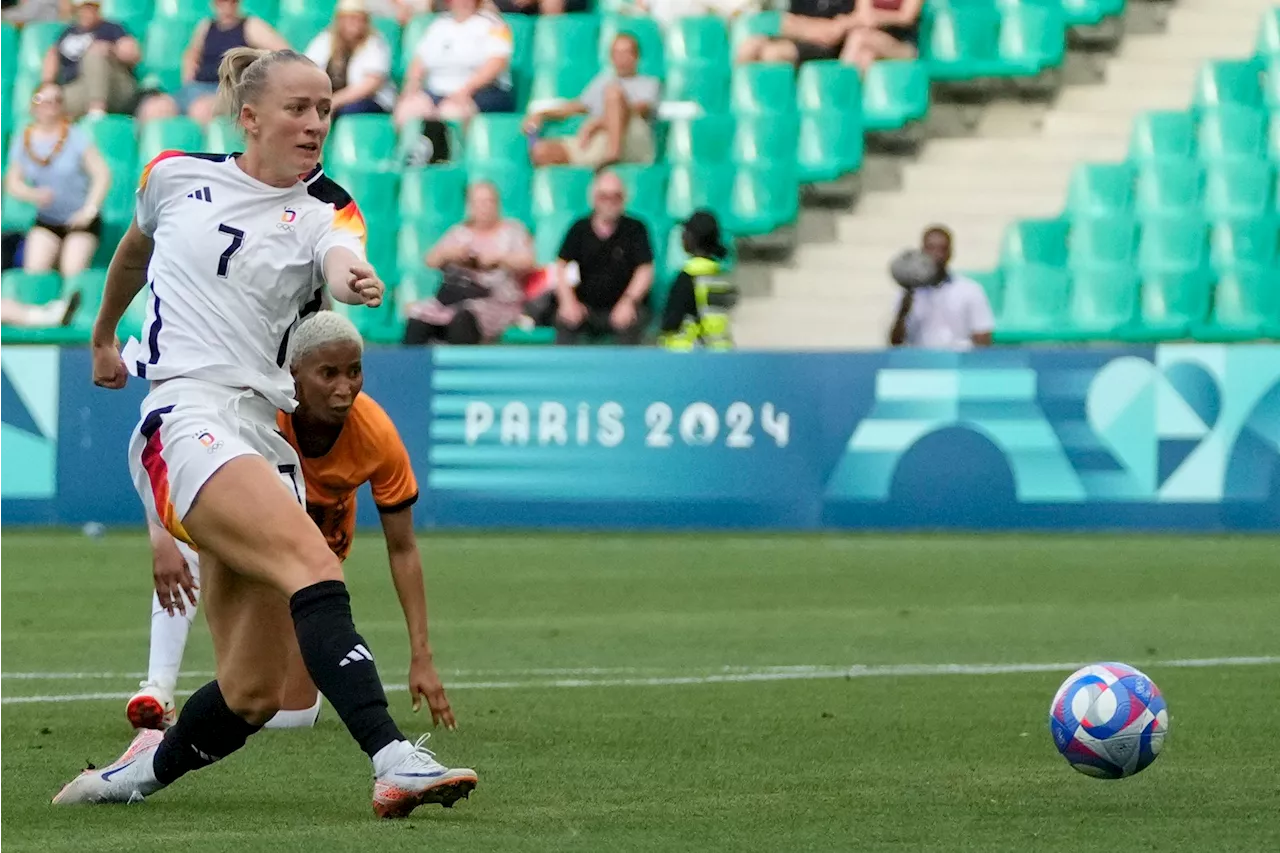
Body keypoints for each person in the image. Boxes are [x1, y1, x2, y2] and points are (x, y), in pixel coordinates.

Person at [52, 46, 476, 818]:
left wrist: (352, 278)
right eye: (299, 108)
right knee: (315, 563)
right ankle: (393, 758)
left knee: (252, 691)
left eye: (325, 108)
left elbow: (342, 253)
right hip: (185, 415)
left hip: (259, 431)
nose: (316, 122)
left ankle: (128, 780)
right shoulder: (174, 174)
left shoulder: (329, 208)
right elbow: (136, 247)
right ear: (250, 117)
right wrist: (104, 334)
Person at [128, 312, 455, 733]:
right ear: (294, 374)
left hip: (312, 578)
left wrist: (421, 656)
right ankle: (158, 687)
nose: (344, 388)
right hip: (253, 551)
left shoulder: (376, 434)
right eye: (328, 373)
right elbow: (176, 459)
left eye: (354, 372)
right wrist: (161, 539)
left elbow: (403, 548)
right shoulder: (256, 414)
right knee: (198, 540)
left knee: (293, 718)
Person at [404, 181, 533, 345]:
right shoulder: (460, 232)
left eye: (489, 201)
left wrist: (498, 259)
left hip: (496, 302)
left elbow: (528, 262)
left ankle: (460, 368)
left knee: (463, 320)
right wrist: (451, 255)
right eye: (479, 202)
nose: (485, 207)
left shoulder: (513, 230)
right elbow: (430, 260)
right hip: (455, 297)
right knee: (417, 319)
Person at [5, 83, 112, 277]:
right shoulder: (24, 140)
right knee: (35, 270)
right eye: (44, 101)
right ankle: (39, 308)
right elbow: (12, 182)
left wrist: (89, 210)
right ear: (34, 105)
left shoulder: (76, 136)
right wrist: (33, 194)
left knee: (72, 269)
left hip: (80, 220)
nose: (50, 106)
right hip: (48, 219)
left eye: (57, 101)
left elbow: (102, 174)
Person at [136, 0, 290, 126]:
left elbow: (284, 53)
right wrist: (188, 74)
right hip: (197, 87)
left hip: (227, 90)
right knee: (153, 108)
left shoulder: (251, 25)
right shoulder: (206, 25)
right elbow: (192, 53)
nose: (225, 5)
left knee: (200, 110)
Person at [525, 33, 659, 169]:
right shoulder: (602, 81)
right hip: (599, 141)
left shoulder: (648, 83)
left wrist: (599, 123)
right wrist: (541, 114)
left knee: (613, 93)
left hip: (631, 140)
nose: (620, 58)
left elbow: (640, 109)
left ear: (636, 56)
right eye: (616, 53)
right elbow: (576, 106)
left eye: (626, 52)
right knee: (542, 151)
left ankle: (613, 156)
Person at [554, 170, 654, 345]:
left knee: (634, 322)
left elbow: (645, 270)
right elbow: (561, 266)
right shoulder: (579, 229)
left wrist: (628, 302)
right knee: (564, 319)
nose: (610, 202)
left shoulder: (636, 229)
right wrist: (568, 302)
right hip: (585, 308)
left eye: (616, 196)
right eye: (603, 196)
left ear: (624, 199)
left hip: (623, 306)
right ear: (593, 198)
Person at [393, 0, 515, 127]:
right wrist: (412, 87)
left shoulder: (495, 24)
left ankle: (454, 146)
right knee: (408, 110)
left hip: (483, 91)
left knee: (451, 112)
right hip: (438, 90)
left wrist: (466, 90)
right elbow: (419, 62)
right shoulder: (438, 25)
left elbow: (497, 63)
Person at [888, 226, 995, 351]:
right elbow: (895, 342)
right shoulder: (908, 292)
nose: (936, 255)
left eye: (942, 249)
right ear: (922, 251)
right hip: (921, 362)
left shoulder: (970, 290)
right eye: (930, 248)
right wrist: (903, 311)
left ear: (950, 253)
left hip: (958, 362)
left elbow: (982, 336)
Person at [42, 0, 140, 119]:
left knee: (94, 53)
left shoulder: (113, 28)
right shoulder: (67, 32)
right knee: (51, 100)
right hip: (81, 86)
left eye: (90, 8)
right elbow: (52, 55)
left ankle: (97, 111)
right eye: (82, 8)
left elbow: (133, 54)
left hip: (114, 86)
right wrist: (48, 84)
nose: (86, 12)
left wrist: (111, 49)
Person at [304, 0, 397, 119]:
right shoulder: (325, 39)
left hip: (367, 100)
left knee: (347, 111)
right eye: (348, 18)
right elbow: (308, 68)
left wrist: (335, 101)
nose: (353, 23)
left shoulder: (374, 43)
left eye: (358, 18)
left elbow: (371, 84)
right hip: (328, 98)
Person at [659, 210, 737, 351]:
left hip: (690, 355)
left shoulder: (687, 277)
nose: (682, 236)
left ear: (692, 237)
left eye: (685, 232)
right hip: (722, 351)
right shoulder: (721, 276)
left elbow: (671, 322)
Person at [841, 0, 922, 71]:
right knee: (867, 56)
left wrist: (879, 18)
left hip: (904, 46)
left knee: (858, 37)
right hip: (874, 42)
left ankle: (842, 81)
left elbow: (907, 17)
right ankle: (847, 85)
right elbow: (862, 13)